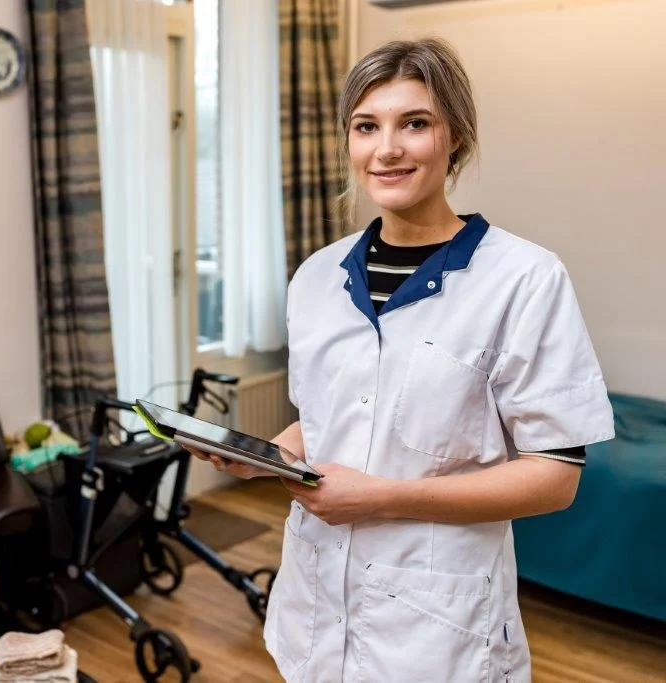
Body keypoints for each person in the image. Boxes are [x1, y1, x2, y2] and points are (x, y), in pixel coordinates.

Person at [185, 38, 614, 681]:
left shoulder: (524, 278)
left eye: (414, 123)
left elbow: (555, 477)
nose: (386, 149)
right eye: (366, 127)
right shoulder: (316, 277)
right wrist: (269, 455)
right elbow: (330, 419)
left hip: (437, 631)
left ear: (455, 138)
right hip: (313, 610)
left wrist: (383, 498)